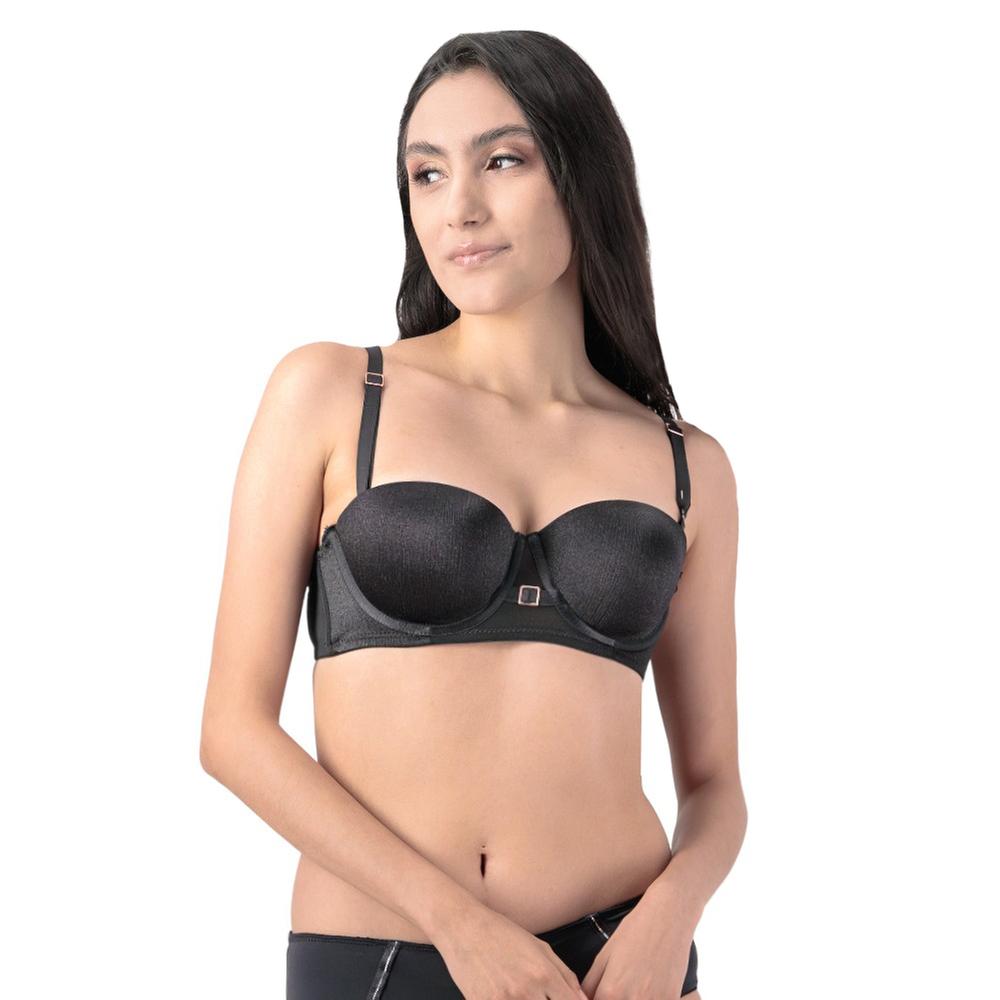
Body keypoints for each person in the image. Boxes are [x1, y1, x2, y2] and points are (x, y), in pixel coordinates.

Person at [200, 30, 746, 1000]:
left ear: (581, 174)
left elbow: (715, 786)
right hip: (381, 952)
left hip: (619, 964)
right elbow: (232, 732)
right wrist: (457, 925)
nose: (459, 207)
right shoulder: (333, 392)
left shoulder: (685, 463)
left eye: (502, 161)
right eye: (426, 173)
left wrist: (670, 919)